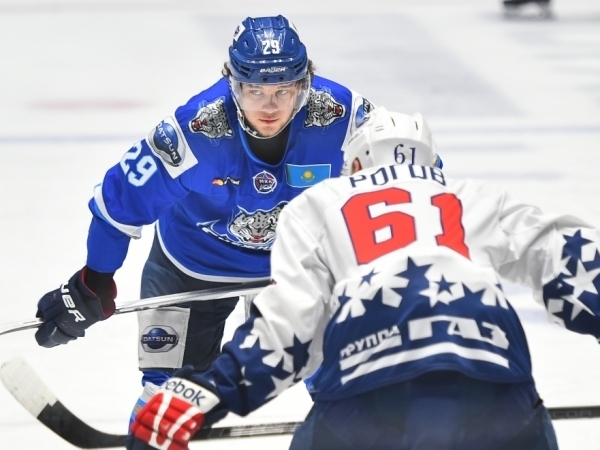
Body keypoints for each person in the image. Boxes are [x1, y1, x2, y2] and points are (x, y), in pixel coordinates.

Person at [124, 105, 593, 450]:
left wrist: (203, 391)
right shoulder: (473, 196)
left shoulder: (319, 204)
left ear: (354, 165)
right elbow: (574, 262)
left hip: (368, 405)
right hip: (495, 392)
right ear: (431, 163)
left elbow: (287, 333)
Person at [32, 14, 375, 429]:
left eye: (283, 90)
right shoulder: (195, 129)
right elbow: (120, 200)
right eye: (255, 90)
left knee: (355, 377)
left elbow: (413, 176)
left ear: (305, 85)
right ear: (233, 84)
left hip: (299, 266)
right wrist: (94, 280)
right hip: (191, 266)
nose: (269, 106)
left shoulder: (344, 116)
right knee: (166, 399)